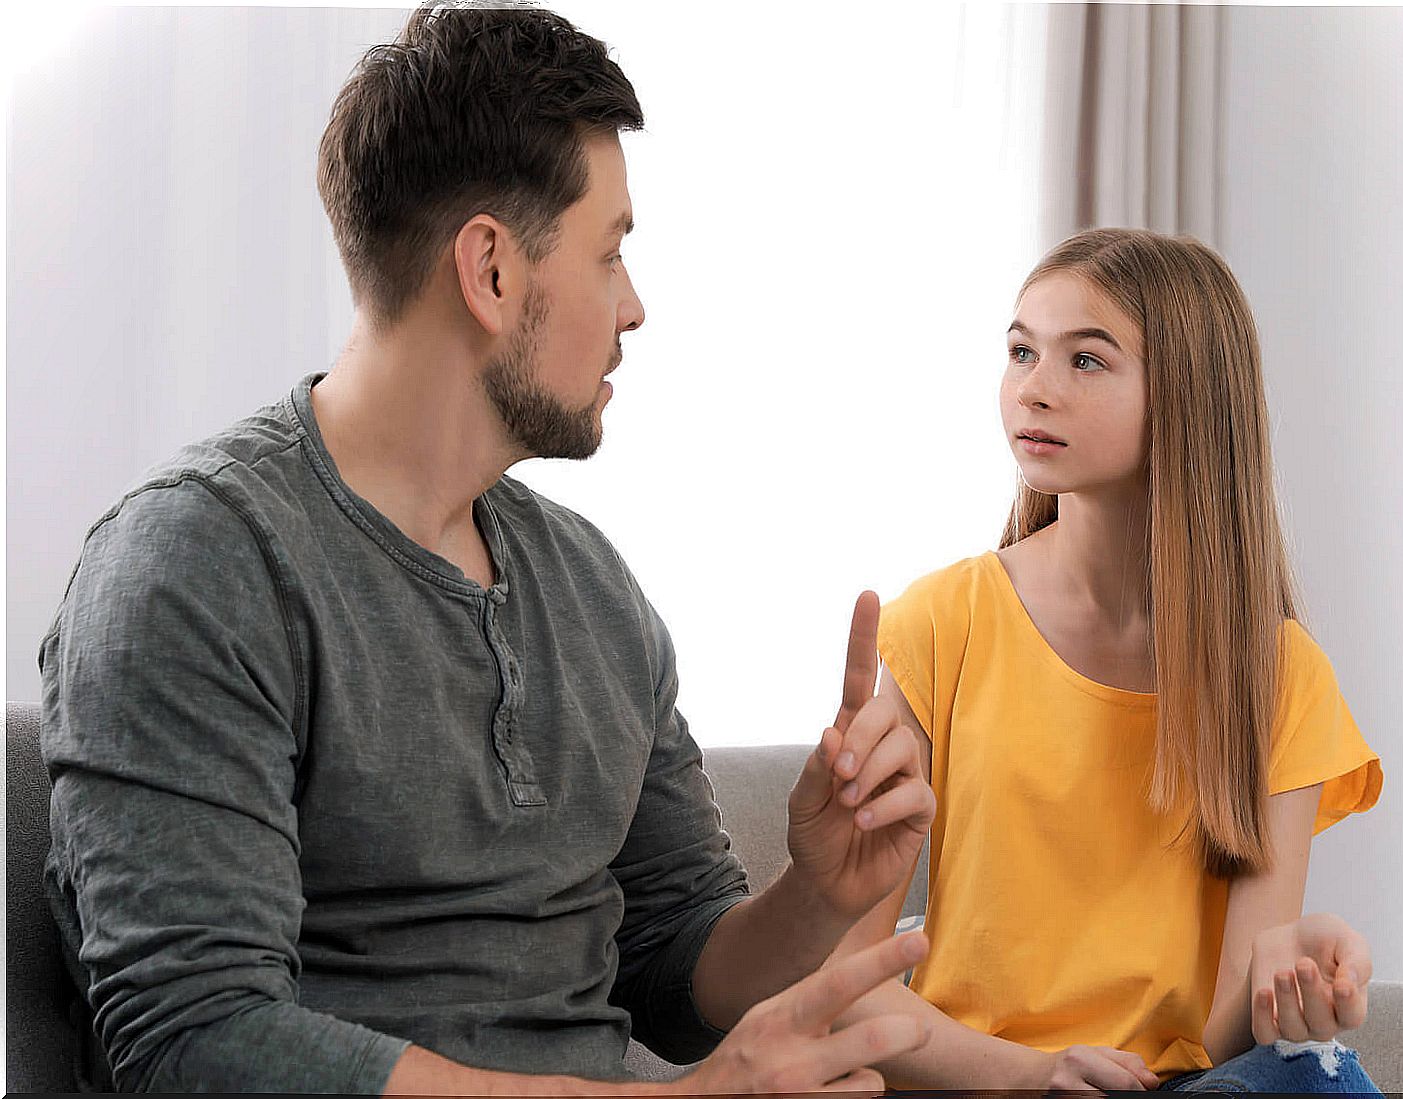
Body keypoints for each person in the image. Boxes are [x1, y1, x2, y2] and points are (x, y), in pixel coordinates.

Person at [38, 6, 937, 1093]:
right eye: (610, 255)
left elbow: (672, 967)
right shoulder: (194, 567)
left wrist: (819, 890)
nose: (636, 307)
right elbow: (198, 1039)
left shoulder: (594, 590)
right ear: (491, 272)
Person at [820, 227, 1386, 1092]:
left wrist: (1293, 979)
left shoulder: (1280, 676)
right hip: (984, 1084)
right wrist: (1035, 1073)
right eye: (1021, 352)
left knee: (1317, 1073)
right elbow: (845, 993)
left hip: (1184, 1090)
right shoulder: (941, 625)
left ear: (1191, 397)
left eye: (1085, 361)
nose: (1033, 389)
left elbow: (1231, 1038)